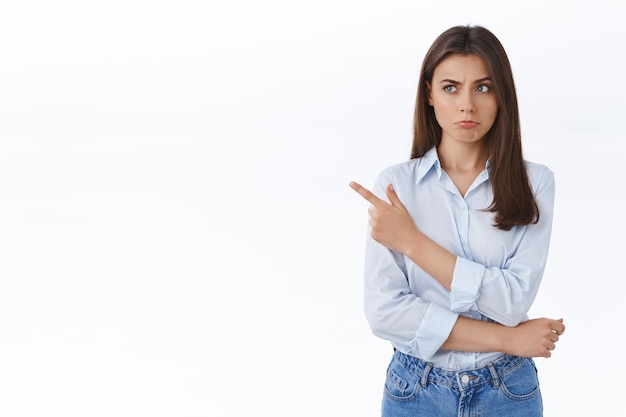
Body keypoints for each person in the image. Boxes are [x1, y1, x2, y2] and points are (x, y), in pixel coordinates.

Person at [349, 25, 565, 417]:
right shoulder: (397, 185)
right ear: (429, 93)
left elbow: (513, 301)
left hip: (508, 390)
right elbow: (386, 313)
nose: (467, 105)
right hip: (416, 390)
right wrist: (508, 338)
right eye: (451, 87)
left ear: (502, 95)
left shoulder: (536, 183)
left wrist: (413, 243)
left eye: (483, 87)